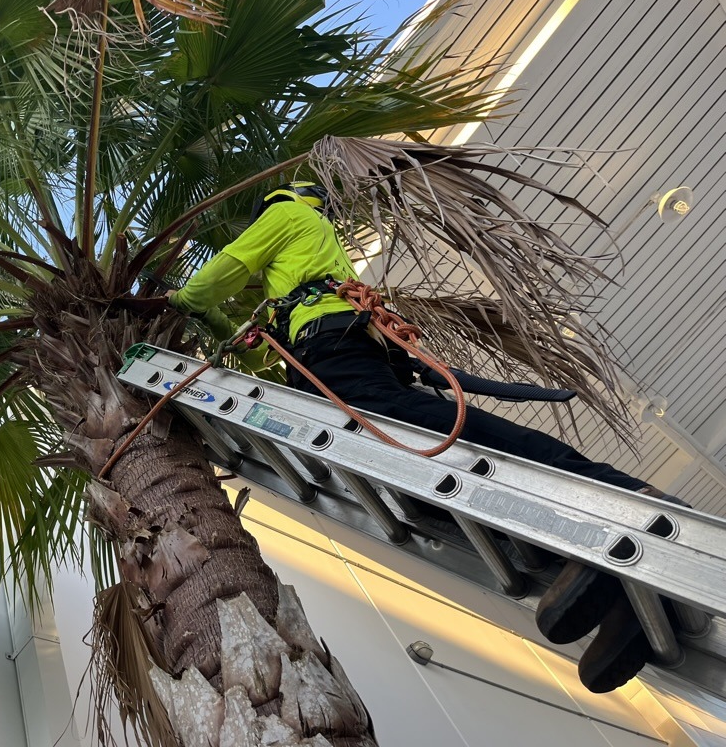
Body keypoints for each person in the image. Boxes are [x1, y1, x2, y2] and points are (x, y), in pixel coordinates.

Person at [168, 181, 688, 694]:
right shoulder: (297, 276)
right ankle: (617, 599)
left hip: (333, 348)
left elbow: (218, 275)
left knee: (436, 433)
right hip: (326, 351)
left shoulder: (287, 214)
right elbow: (258, 342)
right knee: (422, 492)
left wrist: (182, 299)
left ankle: (619, 492)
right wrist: (215, 318)